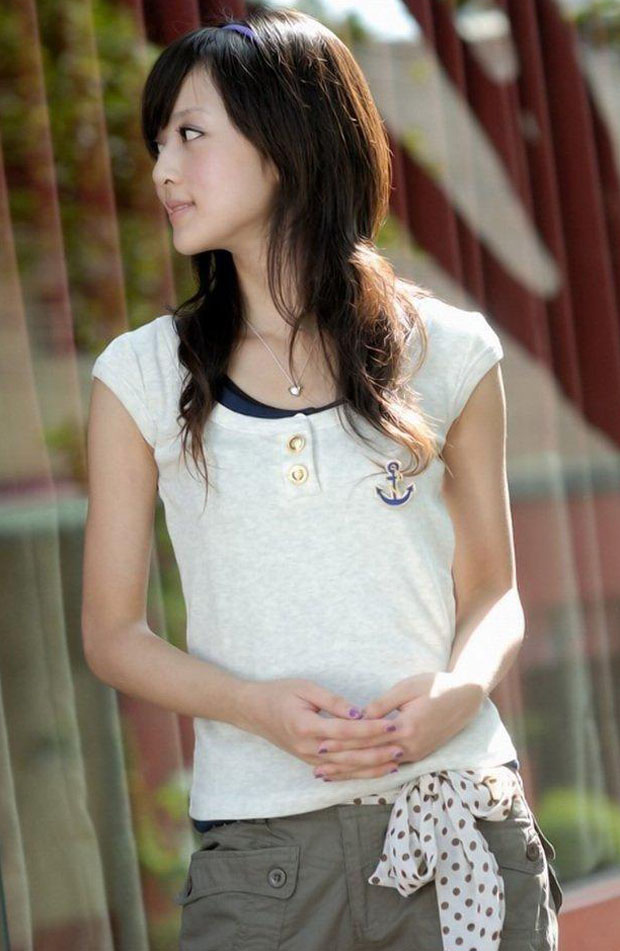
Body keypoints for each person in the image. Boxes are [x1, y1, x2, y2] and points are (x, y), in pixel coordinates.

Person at [82, 9, 562, 950]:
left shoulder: (450, 350)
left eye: (190, 134)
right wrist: (253, 708)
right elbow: (112, 634)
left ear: (287, 141)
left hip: (460, 821)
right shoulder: (139, 376)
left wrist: (460, 691)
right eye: (158, 143)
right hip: (263, 865)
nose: (164, 170)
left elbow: (493, 590)